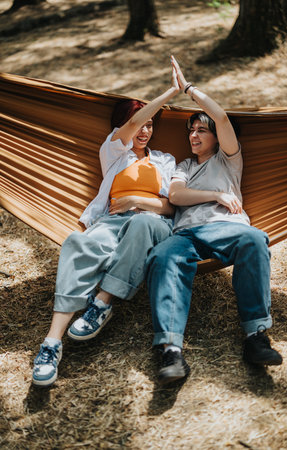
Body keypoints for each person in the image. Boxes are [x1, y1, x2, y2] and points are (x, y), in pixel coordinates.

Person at [32, 67, 180, 387]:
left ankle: (102, 303)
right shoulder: (114, 152)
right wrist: (168, 93)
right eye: (140, 124)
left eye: (151, 124)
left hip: (152, 222)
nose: (145, 131)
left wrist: (137, 204)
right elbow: (129, 128)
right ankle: (51, 344)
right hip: (111, 221)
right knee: (78, 241)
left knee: (141, 222)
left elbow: (171, 206)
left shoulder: (166, 161)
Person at [146, 56, 283, 385]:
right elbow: (176, 197)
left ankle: (255, 337)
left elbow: (221, 116)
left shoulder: (229, 159)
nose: (194, 135)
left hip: (228, 229)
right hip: (186, 234)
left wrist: (188, 89)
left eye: (201, 130)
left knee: (254, 239)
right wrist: (215, 195)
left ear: (217, 136)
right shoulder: (183, 166)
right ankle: (170, 351)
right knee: (163, 256)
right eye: (191, 130)